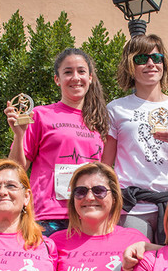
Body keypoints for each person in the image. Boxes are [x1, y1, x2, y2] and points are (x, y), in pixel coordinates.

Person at [101, 34, 168, 242]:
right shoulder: (116, 108)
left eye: (156, 58)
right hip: (131, 206)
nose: (151, 64)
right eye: (141, 59)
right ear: (130, 65)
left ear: (164, 63)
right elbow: (106, 165)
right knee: (135, 259)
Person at [7, 48, 107, 234]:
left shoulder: (100, 122)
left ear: (90, 78)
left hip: (89, 214)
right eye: (68, 72)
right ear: (57, 79)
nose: (75, 77)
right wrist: (19, 136)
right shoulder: (40, 115)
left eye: (81, 71)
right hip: (48, 217)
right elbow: (15, 170)